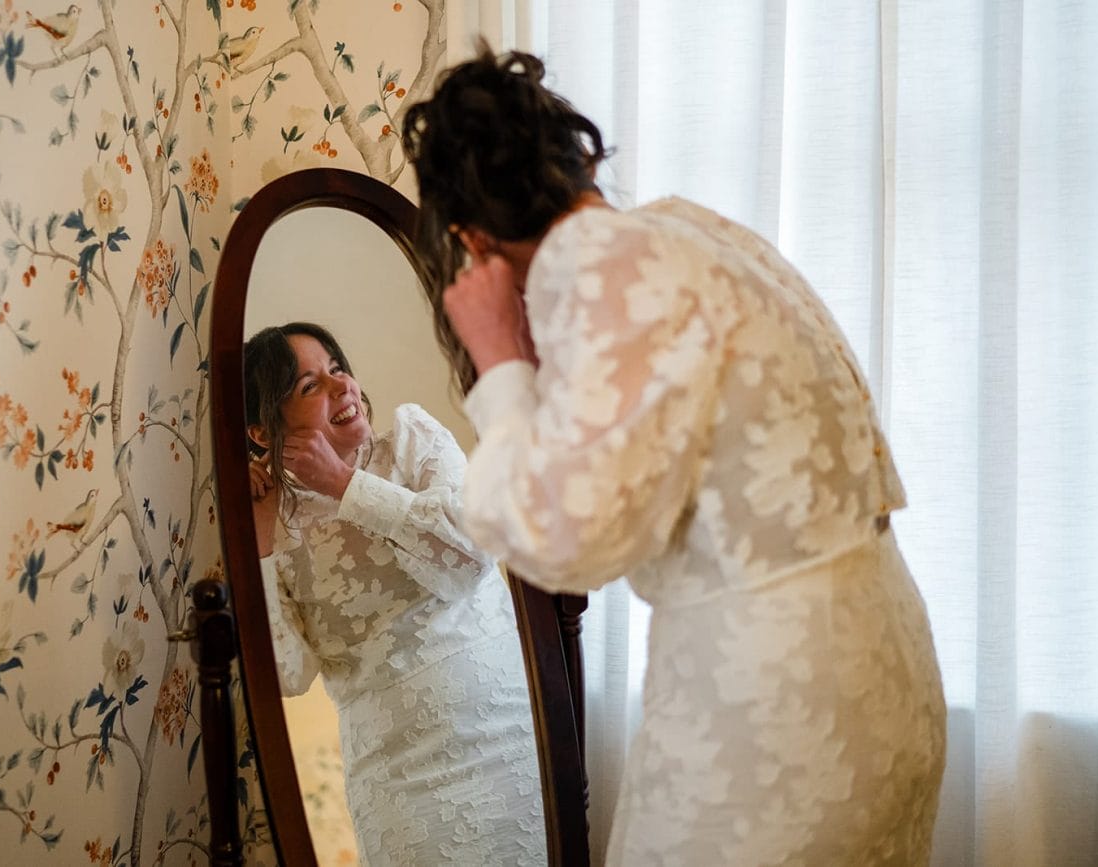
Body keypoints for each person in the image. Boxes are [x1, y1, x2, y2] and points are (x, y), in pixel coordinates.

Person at [402, 47, 948, 865]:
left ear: (470, 236)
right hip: (885, 656)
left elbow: (563, 542)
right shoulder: (687, 229)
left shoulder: (589, 264)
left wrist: (499, 362)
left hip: (779, 698)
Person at [244, 322, 545, 866]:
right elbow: (288, 674)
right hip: (394, 782)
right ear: (264, 433)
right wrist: (260, 540)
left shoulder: (412, 440)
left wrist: (344, 484)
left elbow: (472, 554)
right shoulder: (274, 525)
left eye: (338, 368)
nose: (342, 388)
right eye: (310, 386)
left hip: (505, 736)